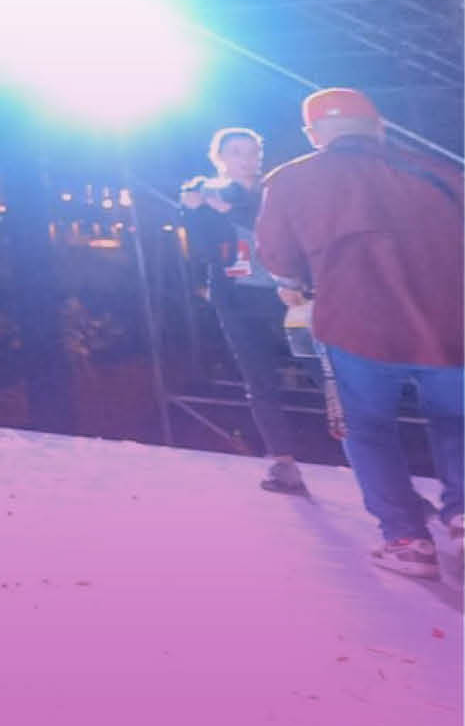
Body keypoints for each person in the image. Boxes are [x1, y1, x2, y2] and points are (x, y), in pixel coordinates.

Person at [255, 89, 464, 579]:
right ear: (379, 126)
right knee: (459, 422)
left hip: (355, 328)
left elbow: (278, 258)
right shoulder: (441, 173)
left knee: (368, 431)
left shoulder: (290, 180)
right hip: (452, 327)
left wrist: (295, 283)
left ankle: (407, 541)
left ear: (313, 135)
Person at [180, 127, 307, 494]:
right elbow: (203, 247)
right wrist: (195, 206)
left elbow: (291, 231)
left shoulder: (274, 190)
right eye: (236, 152)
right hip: (236, 298)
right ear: (219, 157)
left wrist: (233, 207)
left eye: (252, 152)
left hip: (289, 295)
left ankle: (374, 466)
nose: (246, 160)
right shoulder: (205, 192)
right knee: (258, 379)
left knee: (327, 372)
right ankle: (283, 463)